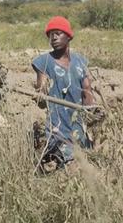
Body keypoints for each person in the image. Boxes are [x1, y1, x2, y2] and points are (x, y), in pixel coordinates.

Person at [32, 16, 97, 169]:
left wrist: (92, 111)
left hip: (77, 122)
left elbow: (87, 91)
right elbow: (41, 93)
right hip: (57, 123)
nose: (53, 37)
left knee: (86, 153)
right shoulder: (43, 62)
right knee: (66, 160)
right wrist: (40, 94)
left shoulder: (80, 61)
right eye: (50, 35)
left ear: (68, 36)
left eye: (58, 33)